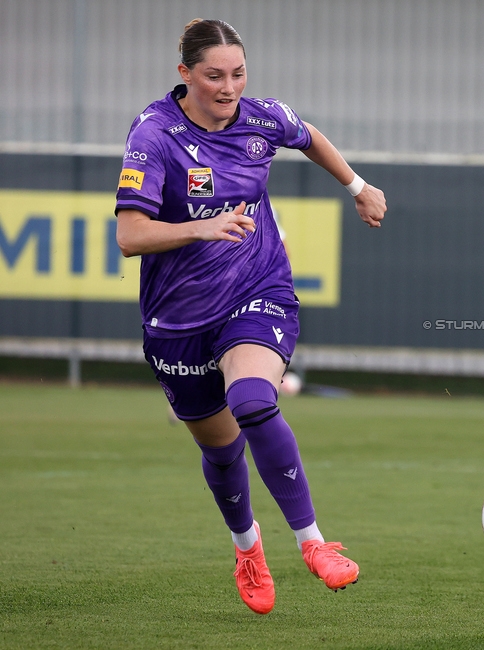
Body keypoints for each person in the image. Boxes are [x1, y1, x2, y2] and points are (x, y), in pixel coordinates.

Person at [114, 18, 387, 615]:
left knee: (253, 402)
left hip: (256, 290)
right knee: (220, 451)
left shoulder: (261, 118)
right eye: (214, 75)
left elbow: (307, 134)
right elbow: (129, 235)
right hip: (177, 321)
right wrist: (200, 227)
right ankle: (248, 548)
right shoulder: (154, 135)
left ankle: (313, 542)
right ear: (184, 74)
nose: (229, 86)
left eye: (238, 73)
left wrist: (357, 186)